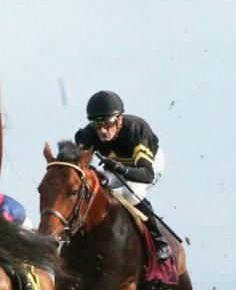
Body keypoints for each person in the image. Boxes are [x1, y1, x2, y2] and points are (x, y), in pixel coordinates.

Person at [74, 90, 173, 263]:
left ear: (119, 119)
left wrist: (122, 169)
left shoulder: (136, 130)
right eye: (97, 125)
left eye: (107, 123)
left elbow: (147, 175)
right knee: (95, 184)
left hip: (147, 166)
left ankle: (159, 240)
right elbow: (79, 164)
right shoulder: (90, 133)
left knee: (131, 192)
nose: (103, 131)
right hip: (116, 166)